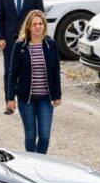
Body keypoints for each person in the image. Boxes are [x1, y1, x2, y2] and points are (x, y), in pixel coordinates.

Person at [7, 10, 61, 154]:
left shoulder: (51, 45)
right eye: (34, 24)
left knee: (44, 135)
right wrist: (10, 98)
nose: (38, 27)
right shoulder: (20, 46)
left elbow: (56, 71)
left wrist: (57, 95)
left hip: (45, 98)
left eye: (40, 24)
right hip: (26, 99)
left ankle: (40, 161)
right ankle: (31, 162)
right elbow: (13, 74)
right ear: (29, 27)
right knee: (31, 136)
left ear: (44, 26)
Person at [0, 0, 45, 114]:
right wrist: (0, 37)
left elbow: (40, 16)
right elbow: (0, 18)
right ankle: (9, 102)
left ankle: (28, 100)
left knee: (28, 70)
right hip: (9, 41)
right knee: (9, 71)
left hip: (28, 39)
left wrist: (39, 38)